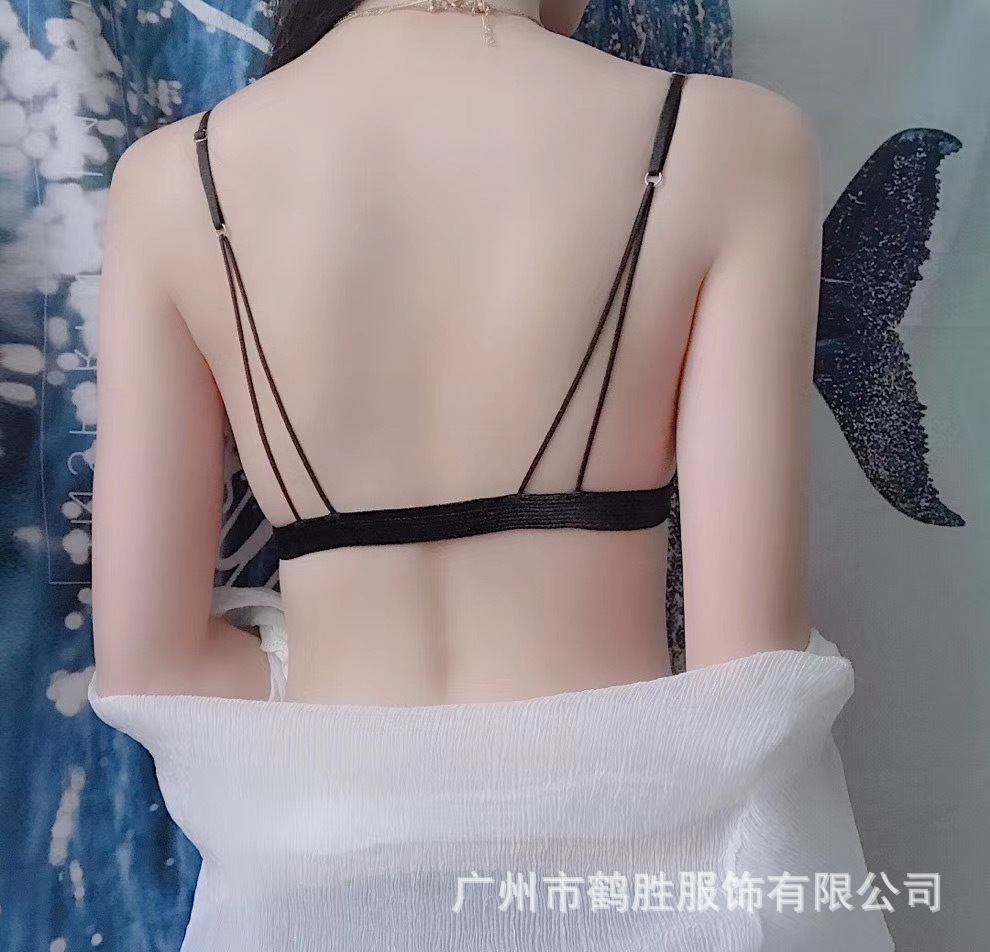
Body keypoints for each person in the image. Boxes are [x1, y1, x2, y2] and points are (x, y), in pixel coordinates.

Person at [87, 0, 896, 948]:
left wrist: (340, 705)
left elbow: (151, 668)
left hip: (315, 885)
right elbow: (747, 673)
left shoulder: (173, 179)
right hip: (631, 871)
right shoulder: (729, 140)